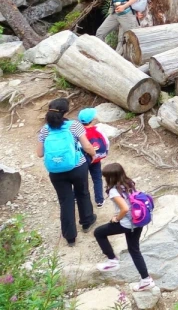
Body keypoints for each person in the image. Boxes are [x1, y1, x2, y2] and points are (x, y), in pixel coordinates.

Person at [38, 97, 96, 246]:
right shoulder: (74, 126)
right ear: (65, 112)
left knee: (65, 200)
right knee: (82, 193)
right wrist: (93, 154)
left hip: (56, 172)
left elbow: (39, 153)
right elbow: (87, 146)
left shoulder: (45, 130)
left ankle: (70, 237)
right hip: (77, 167)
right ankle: (87, 222)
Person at [94, 162, 155, 291]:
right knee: (134, 250)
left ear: (110, 177)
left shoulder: (114, 191)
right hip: (138, 221)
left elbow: (125, 208)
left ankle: (112, 260)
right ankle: (146, 279)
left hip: (128, 224)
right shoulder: (129, 183)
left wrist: (116, 218)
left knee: (99, 232)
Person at [78, 108, 109, 206]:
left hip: (83, 159)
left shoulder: (78, 131)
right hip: (96, 159)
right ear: (92, 119)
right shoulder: (98, 129)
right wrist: (105, 151)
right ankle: (99, 200)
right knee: (97, 179)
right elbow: (106, 142)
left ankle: (76, 196)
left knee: (80, 178)